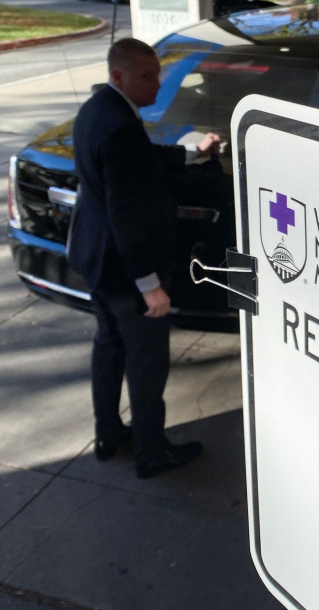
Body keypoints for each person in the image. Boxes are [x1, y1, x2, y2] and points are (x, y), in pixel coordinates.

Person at [68, 38, 222, 480]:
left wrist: (193, 151)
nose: (157, 84)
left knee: (108, 345)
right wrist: (149, 284)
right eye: (146, 77)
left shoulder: (98, 109)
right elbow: (128, 216)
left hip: (95, 259)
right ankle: (151, 452)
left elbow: (139, 158)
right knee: (146, 360)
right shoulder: (118, 127)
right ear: (119, 76)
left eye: (157, 74)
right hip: (125, 269)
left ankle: (108, 432)